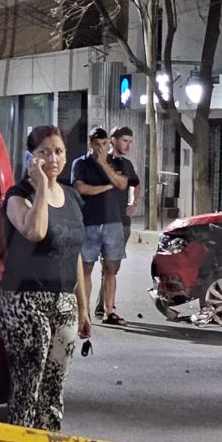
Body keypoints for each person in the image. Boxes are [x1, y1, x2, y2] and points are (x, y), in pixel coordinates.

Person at [0, 126, 91, 432]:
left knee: (54, 388)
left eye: (59, 151)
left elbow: (74, 251)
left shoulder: (73, 197)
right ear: (30, 157)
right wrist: (39, 187)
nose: (52, 158)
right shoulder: (18, 196)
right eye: (44, 152)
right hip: (25, 302)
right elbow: (34, 231)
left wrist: (83, 308)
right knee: (28, 387)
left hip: (63, 300)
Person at [71, 127, 136, 327]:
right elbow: (81, 188)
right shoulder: (80, 163)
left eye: (104, 144)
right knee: (86, 268)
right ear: (90, 144)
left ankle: (109, 311)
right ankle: (84, 312)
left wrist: (103, 164)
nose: (101, 148)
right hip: (89, 222)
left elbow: (122, 183)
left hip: (113, 222)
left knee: (111, 268)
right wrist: (105, 187)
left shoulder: (118, 163)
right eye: (97, 144)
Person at [95, 126, 141, 320]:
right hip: (99, 221)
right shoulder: (100, 162)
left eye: (130, 141)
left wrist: (133, 202)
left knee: (112, 267)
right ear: (113, 140)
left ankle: (103, 306)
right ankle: (103, 307)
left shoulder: (127, 165)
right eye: (125, 141)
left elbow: (136, 184)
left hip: (121, 223)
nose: (128, 145)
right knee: (99, 266)